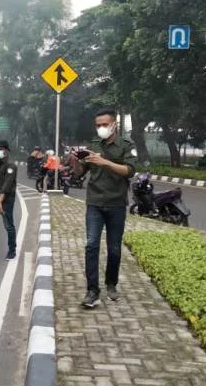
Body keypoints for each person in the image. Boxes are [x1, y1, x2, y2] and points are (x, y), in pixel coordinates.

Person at [71, 108, 137, 308]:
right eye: (98, 125)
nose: (101, 128)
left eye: (104, 125)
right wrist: (76, 162)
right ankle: (92, 291)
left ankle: (111, 283)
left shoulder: (127, 145)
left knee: (114, 249)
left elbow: (130, 171)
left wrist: (104, 161)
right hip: (95, 203)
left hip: (116, 203)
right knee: (91, 245)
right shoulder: (93, 146)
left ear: (114, 124)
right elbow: (79, 174)